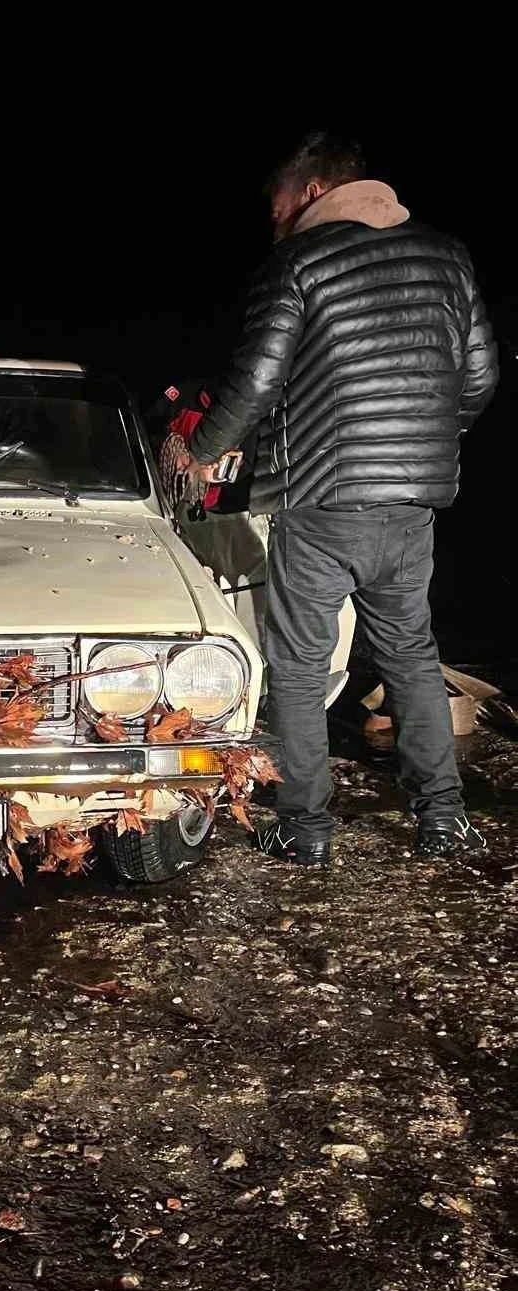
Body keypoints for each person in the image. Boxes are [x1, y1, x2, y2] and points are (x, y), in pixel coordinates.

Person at [183, 133, 499, 866]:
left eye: (278, 204)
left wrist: (201, 452)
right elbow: (480, 377)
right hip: (411, 503)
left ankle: (305, 827)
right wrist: (417, 445)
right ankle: (443, 819)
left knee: (298, 664)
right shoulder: (447, 256)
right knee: (411, 654)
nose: (274, 218)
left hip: (320, 500)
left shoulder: (300, 262)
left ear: (314, 191)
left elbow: (257, 381)